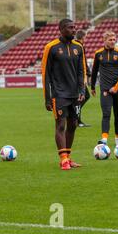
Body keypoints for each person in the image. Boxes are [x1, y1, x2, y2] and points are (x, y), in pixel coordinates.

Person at [42, 19, 86, 170]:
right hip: (59, 94)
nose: (74, 30)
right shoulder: (51, 47)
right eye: (70, 28)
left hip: (75, 93)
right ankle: (63, 159)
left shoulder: (78, 47)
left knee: (73, 125)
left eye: (75, 27)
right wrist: (47, 97)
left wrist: (81, 90)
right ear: (61, 29)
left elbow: (82, 71)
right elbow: (45, 74)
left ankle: (68, 157)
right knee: (61, 124)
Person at [91, 31, 118, 147]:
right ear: (104, 40)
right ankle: (104, 139)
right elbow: (94, 71)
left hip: (117, 90)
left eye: (114, 39)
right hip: (105, 89)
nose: (113, 42)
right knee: (106, 114)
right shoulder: (98, 54)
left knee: (117, 114)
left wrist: (116, 87)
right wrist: (92, 86)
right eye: (110, 40)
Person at [74, 29, 91, 127]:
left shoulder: (75, 45)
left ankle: (77, 118)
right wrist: (87, 73)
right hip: (79, 76)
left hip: (77, 76)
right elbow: (82, 61)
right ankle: (76, 119)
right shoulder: (79, 46)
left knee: (81, 98)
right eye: (86, 36)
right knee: (83, 97)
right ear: (83, 37)